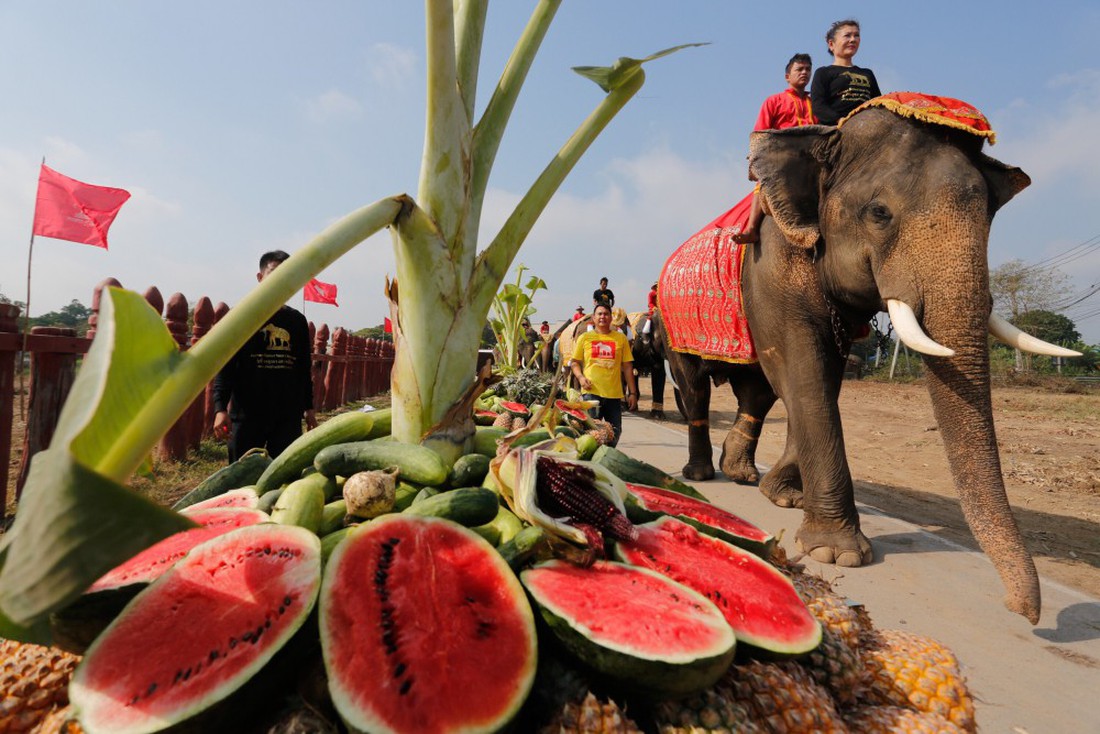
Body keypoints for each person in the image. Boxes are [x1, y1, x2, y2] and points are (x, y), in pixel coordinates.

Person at [213, 250, 317, 462]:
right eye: (275, 274)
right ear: (260, 278)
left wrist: (309, 408)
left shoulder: (296, 321)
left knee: (282, 477)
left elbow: (303, 368)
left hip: (287, 417)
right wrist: (220, 408)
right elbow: (226, 366)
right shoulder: (240, 317)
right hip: (247, 416)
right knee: (240, 476)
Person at [734, 53, 818, 244]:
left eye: (808, 69)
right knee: (763, 182)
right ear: (788, 76)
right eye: (799, 69)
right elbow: (760, 134)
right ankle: (752, 228)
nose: (804, 72)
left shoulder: (816, 103)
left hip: (812, 157)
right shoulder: (773, 101)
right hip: (783, 157)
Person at [570, 303, 638, 446]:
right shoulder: (584, 338)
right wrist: (581, 377)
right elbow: (575, 362)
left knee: (615, 431)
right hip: (591, 393)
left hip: (614, 394)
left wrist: (632, 392)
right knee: (590, 434)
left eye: (606, 314)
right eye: (599, 314)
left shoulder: (621, 339)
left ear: (611, 317)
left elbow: (627, 366)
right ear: (593, 318)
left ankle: (607, 457)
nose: (603, 317)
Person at [810, 19, 881, 126]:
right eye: (847, 35)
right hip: (835, 131)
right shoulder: (823, 73)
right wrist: (841, 120)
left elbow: (877, 103)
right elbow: (818, 106)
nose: (853, 39)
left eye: (856, 35)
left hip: (866, 128)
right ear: (831, 44)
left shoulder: (867, 73)